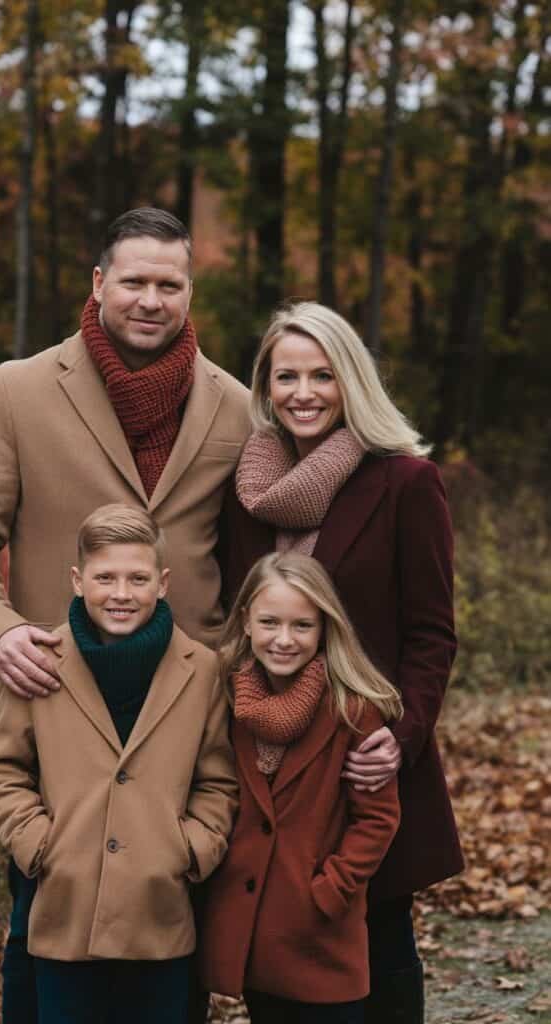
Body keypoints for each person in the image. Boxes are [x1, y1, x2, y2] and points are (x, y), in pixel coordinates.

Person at [0, 207, 250, 1022]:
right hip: (52, 698)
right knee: (36, 933)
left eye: (169, 284)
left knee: (174, 944)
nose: (151, 299)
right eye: (135, 281)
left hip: (182, 707)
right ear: (100, 283)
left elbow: (256, 555)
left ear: (189, 292)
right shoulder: (20, 387)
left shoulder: (235, 407)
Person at [221, 301, 464, 1023]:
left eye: (321, 375)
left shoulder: (404, 484)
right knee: (274, 955)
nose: (303, 392)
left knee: (380, 948)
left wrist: (405, 734)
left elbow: (430, 634)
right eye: (285, 375)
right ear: (264, 387)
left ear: (349, 380)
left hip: (362, 760)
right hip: (271, 770)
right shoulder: (245, 496)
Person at [0, 504, 237, 1024]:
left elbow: (219, 781)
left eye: (138, 578)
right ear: (78, 580)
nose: (121, 593)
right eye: (105, 578)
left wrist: (189, 850)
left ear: (162, 584)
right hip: (62, 913)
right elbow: (2, 769)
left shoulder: (202, 670)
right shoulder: (37, 659)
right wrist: (40, 846)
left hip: (159, 915)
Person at [200, 551, 401, 1023]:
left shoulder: (353, 709)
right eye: (270, 622)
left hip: (320, 930)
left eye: (302, 626)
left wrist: (332, 889)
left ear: (325, 628)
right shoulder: (224, 699)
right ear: (246, 622)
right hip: (250, 928)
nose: (284, 640)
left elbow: (378, 818)